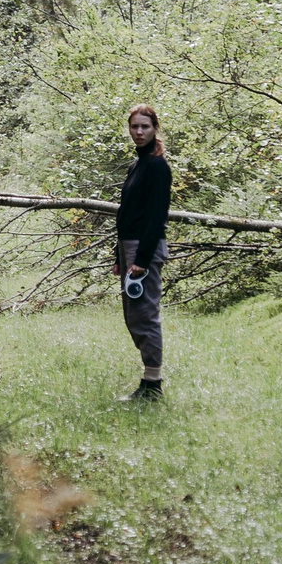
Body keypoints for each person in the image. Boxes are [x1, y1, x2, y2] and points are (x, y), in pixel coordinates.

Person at [113, 104, 170, 400]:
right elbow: (127, 213)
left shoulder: (157, 166)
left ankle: (153, 386)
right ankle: (148, 383)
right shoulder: (137, 165)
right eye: (134, 126)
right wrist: (118, 256)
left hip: (144, 248)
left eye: (145, 126)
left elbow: (156, 216)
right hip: (130, 248)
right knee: (133, 317)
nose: (139, 131)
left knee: (145, 316)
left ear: (154, 129)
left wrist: (142, 260)